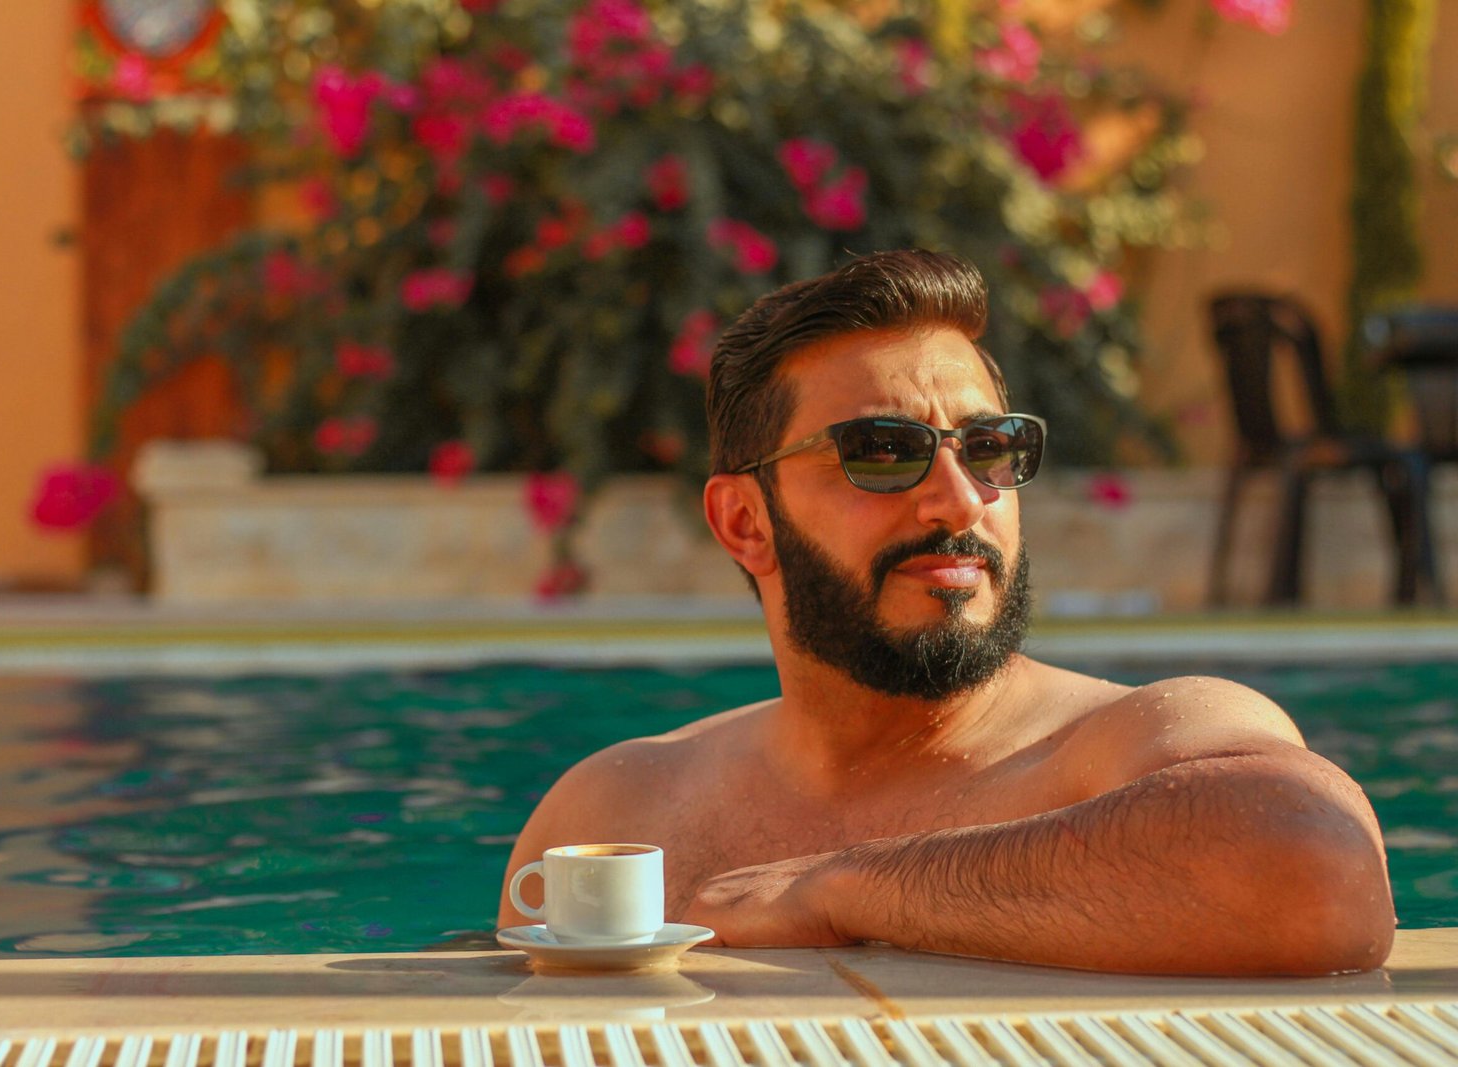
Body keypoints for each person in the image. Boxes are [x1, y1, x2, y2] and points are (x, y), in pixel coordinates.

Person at [497, 249, 1395, 976]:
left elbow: (1320, 864)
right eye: (883, 451)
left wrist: (846, 887)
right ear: (745, 520)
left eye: (989, 447)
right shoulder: (621, 813)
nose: (960, 500)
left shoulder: (1129, 745)